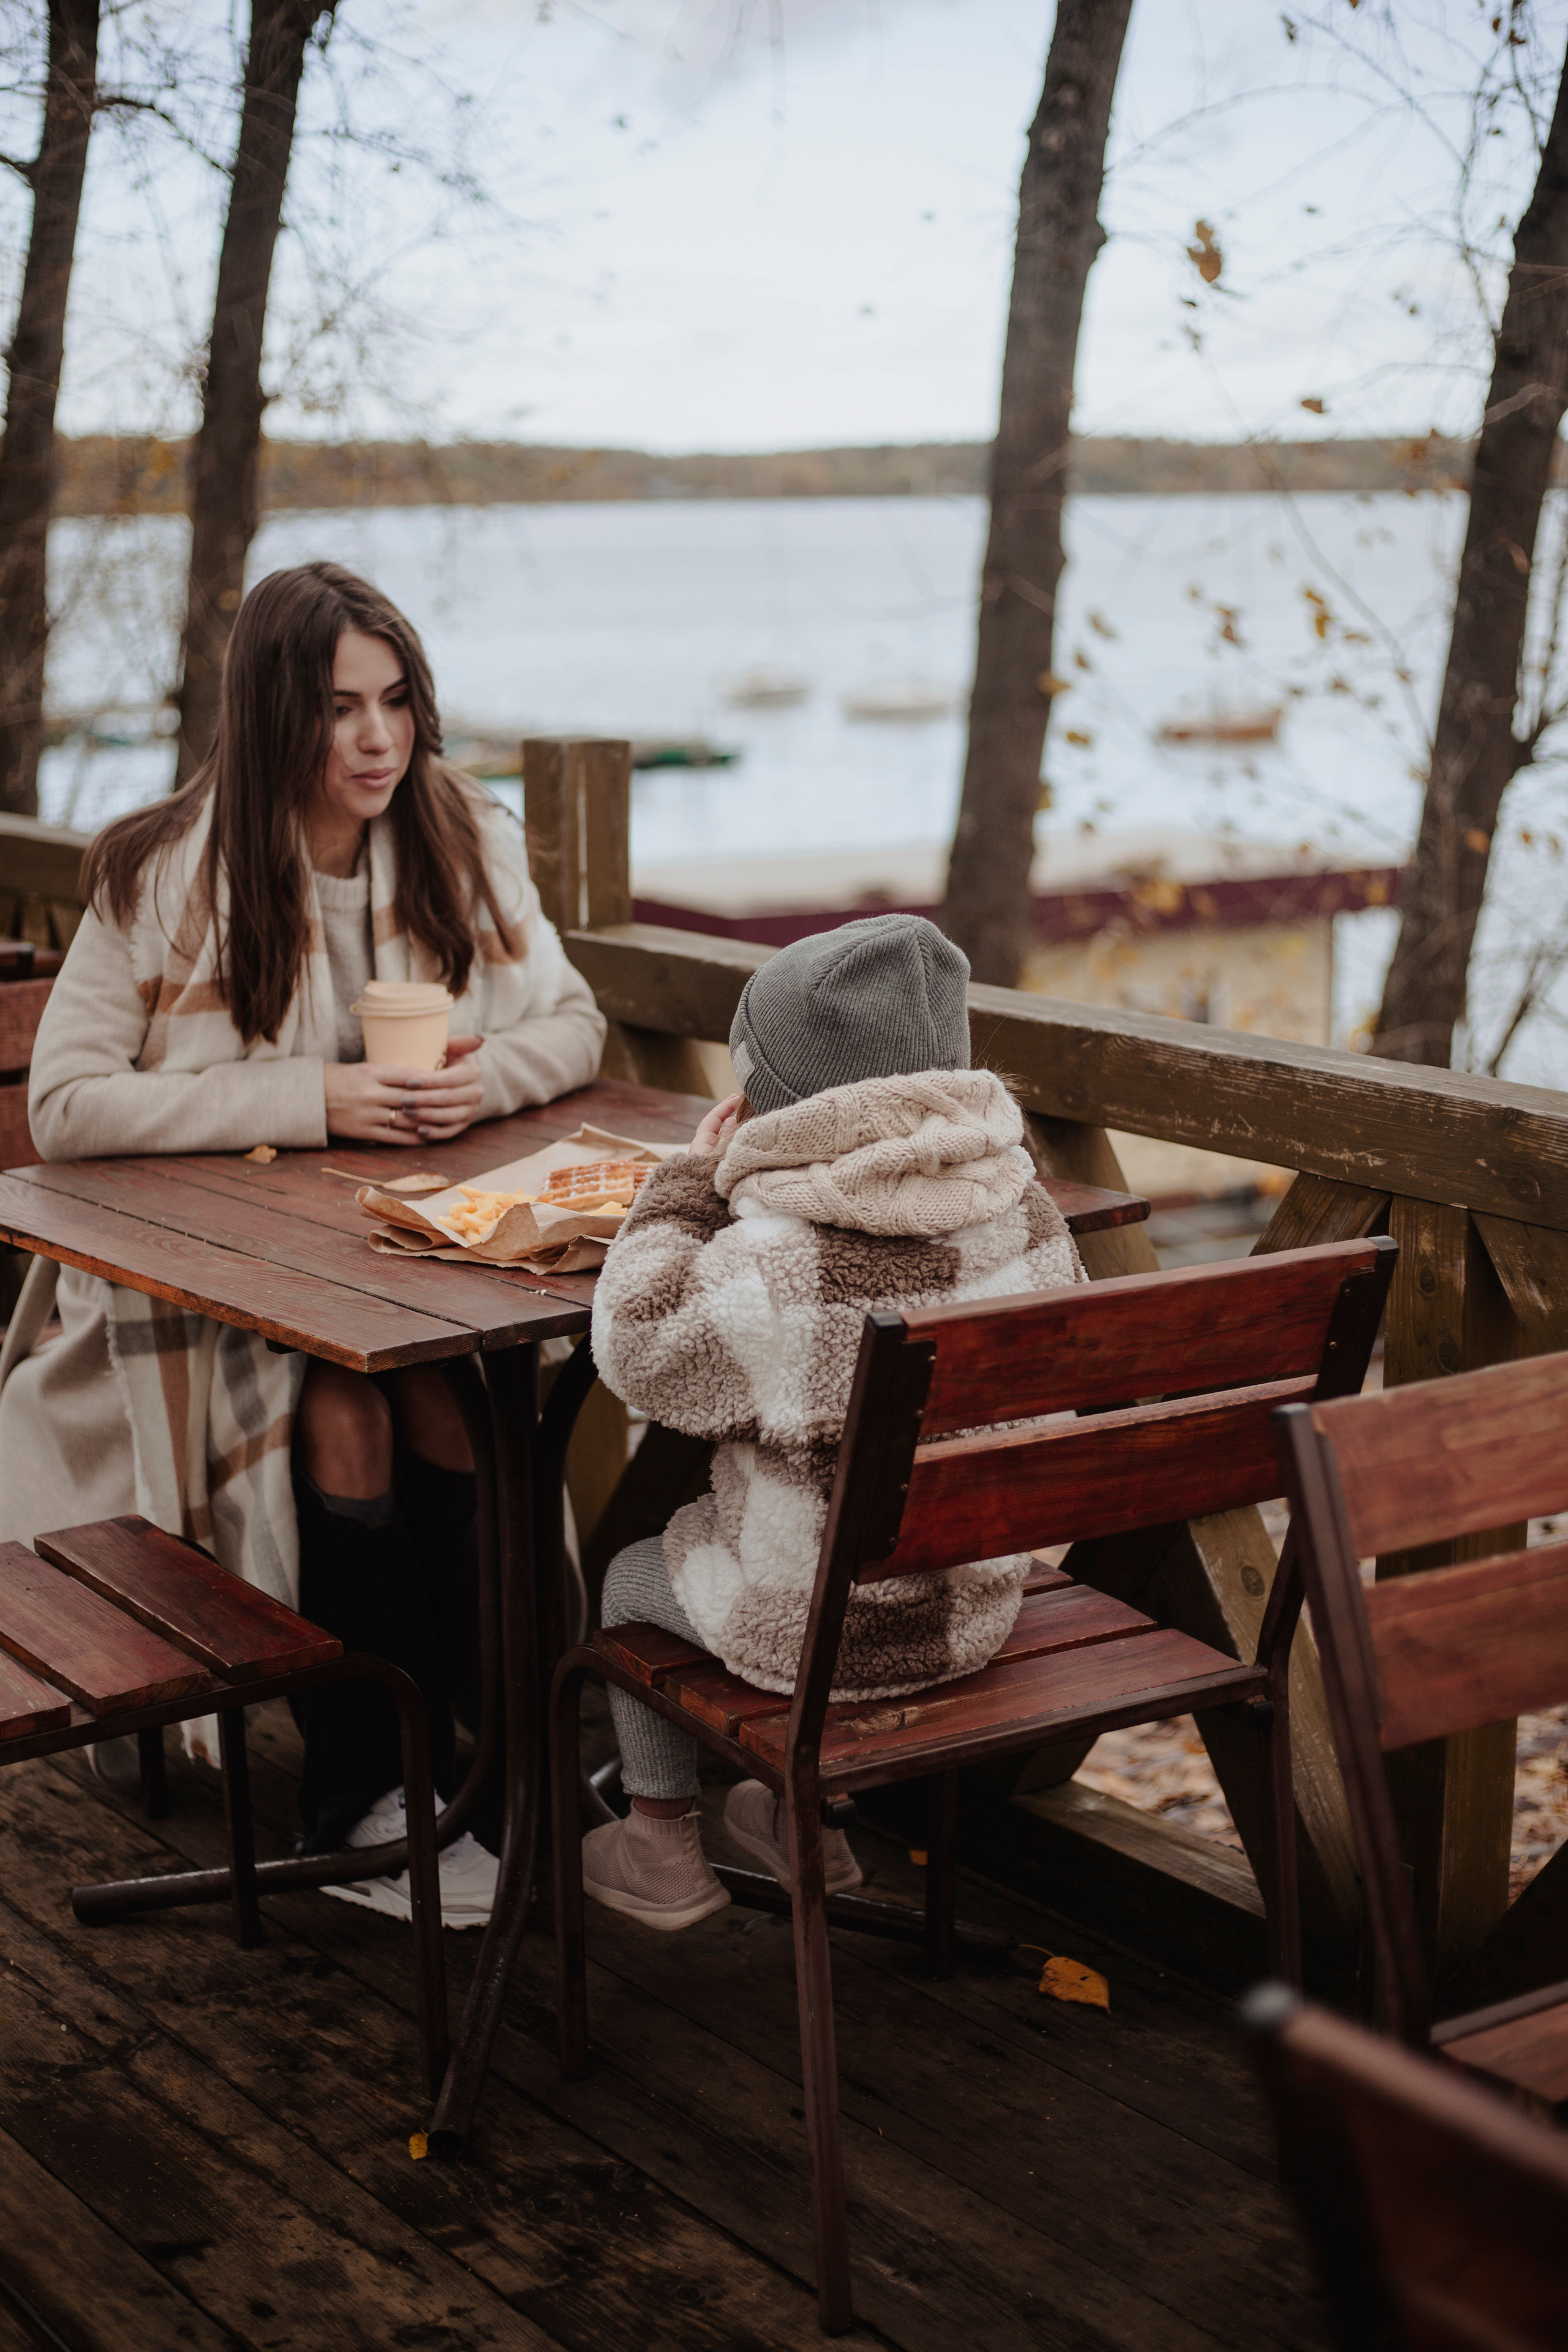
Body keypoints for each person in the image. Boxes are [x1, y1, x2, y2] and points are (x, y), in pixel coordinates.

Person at [0, 561, 606, 1923]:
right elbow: (66, 1108)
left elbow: (571, 1024)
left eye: (396, 702)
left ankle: (499, 1778)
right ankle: (364, 1793)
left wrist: (485, 1079)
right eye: (340, 709)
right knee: (343, 1416)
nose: (378, 739)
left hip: (406, 1264)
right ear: (275, 713)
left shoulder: (460, 837)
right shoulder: (161, 873)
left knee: (464, 1413)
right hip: (201, 1301)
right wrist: (313, 1097)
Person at [582, 912, 1084, 1928]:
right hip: (974, 1607)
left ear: (778, 1093)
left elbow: (636, 1349)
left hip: (814, 1643)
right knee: (846, 1532)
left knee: (630, 1577)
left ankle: (659, 1846)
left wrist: (685, 1183)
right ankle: (810, 1825)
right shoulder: (1025, 1209)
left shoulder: (782, 1255)